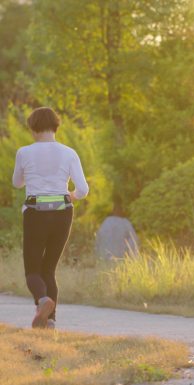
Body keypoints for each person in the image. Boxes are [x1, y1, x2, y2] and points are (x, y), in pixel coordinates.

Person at [12, 107, 89, 329]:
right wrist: (71, 195)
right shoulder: (69, 152)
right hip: (63, 211)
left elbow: (17, 183)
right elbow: (82, 189)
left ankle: (43, 301)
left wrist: (35, 176)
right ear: (56, 126)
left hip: (36, 212)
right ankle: (51, 321)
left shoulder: (24, 152)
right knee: (49, 270)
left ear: (33, 128)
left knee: (33, 271)